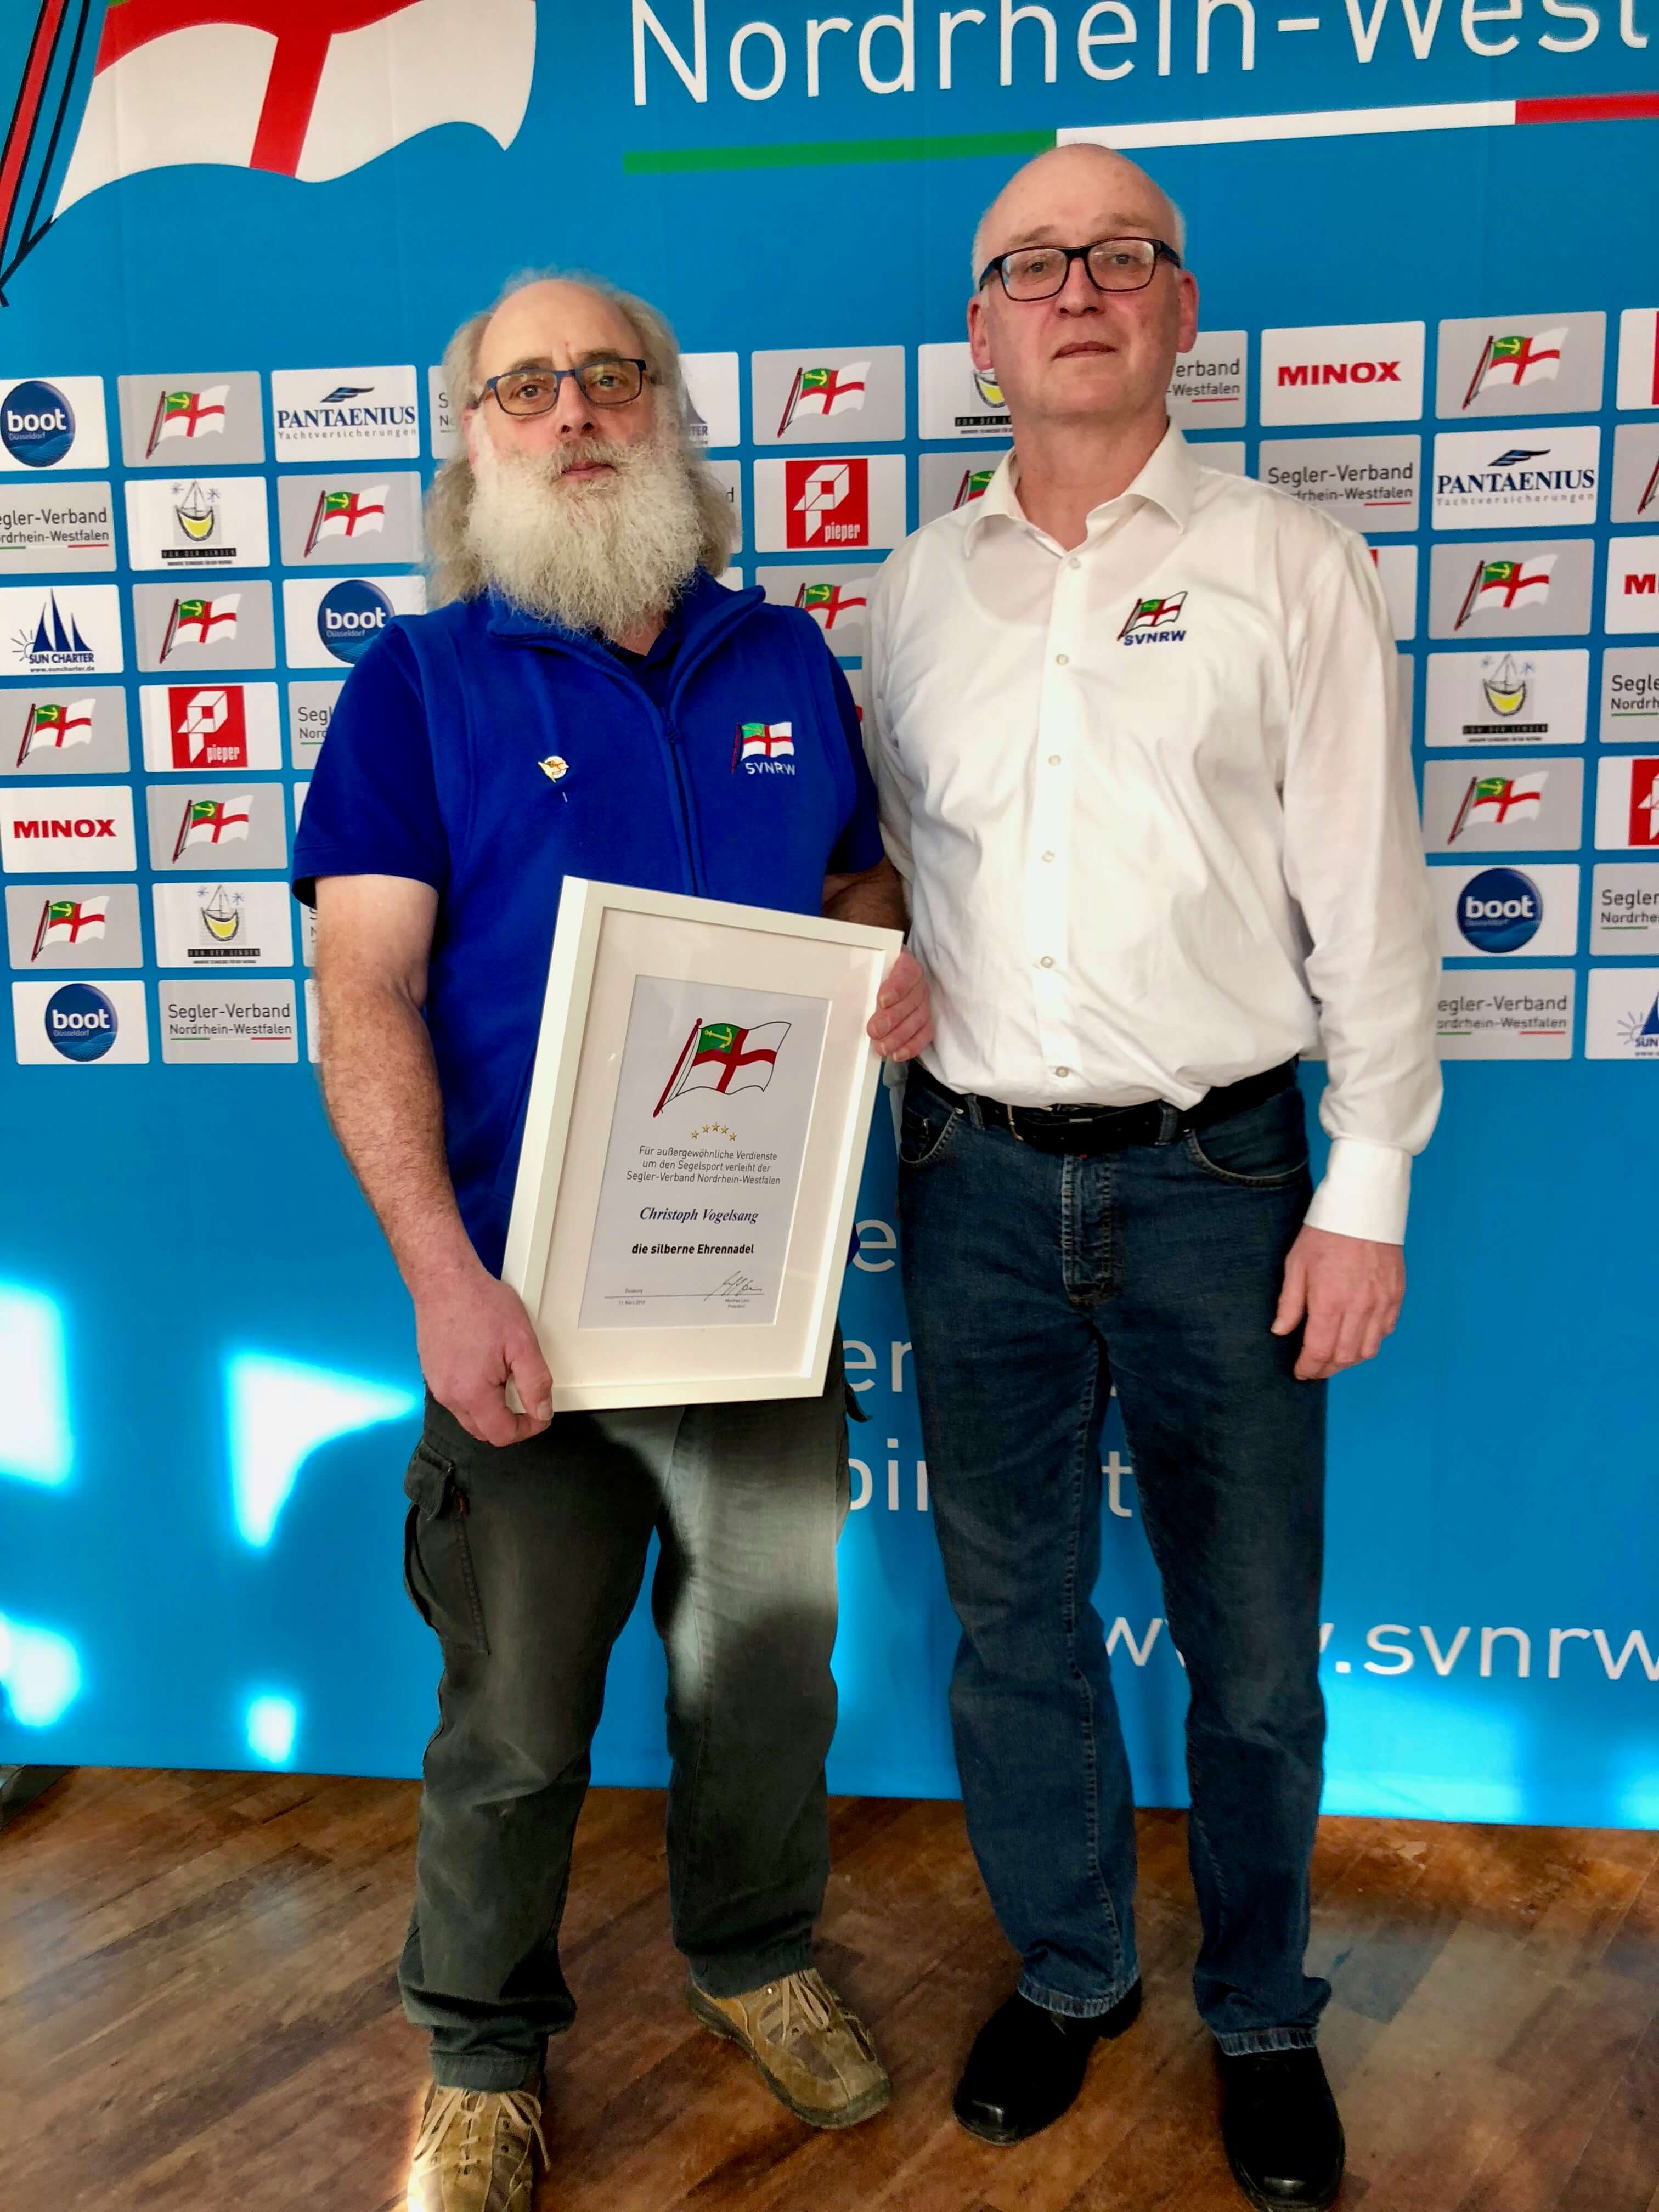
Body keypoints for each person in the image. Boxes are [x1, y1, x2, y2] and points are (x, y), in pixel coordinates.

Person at [291, 268, 932, 2212]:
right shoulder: (418, 685)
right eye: (524, 388)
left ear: (667, 411)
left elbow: (854, 885)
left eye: (607, 376)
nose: (571, 412)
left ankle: (752, 1954)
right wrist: (443, 1280)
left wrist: (887, 955)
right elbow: (363, 994)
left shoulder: (785, 658)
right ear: (472, 440)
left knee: (768, 1683)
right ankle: (480, 2055)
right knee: (512, 1714)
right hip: (525, 1315)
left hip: (754, 1299)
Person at [864, 147, 1440, 2211]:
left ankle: (1264, 2007)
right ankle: (1075, 1968)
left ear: (1182, 308)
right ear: (983, 330)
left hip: (1225, 1179)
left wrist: (1367, 1186)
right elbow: (905, 868)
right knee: (1012, 1624)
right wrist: (881, 953)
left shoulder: (1291, 563)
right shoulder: (915, 592)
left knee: (1254, 1649)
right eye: (1033, 265)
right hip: (973, 1184)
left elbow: (1370, 900)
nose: (1080, 289)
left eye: (1124, 257)